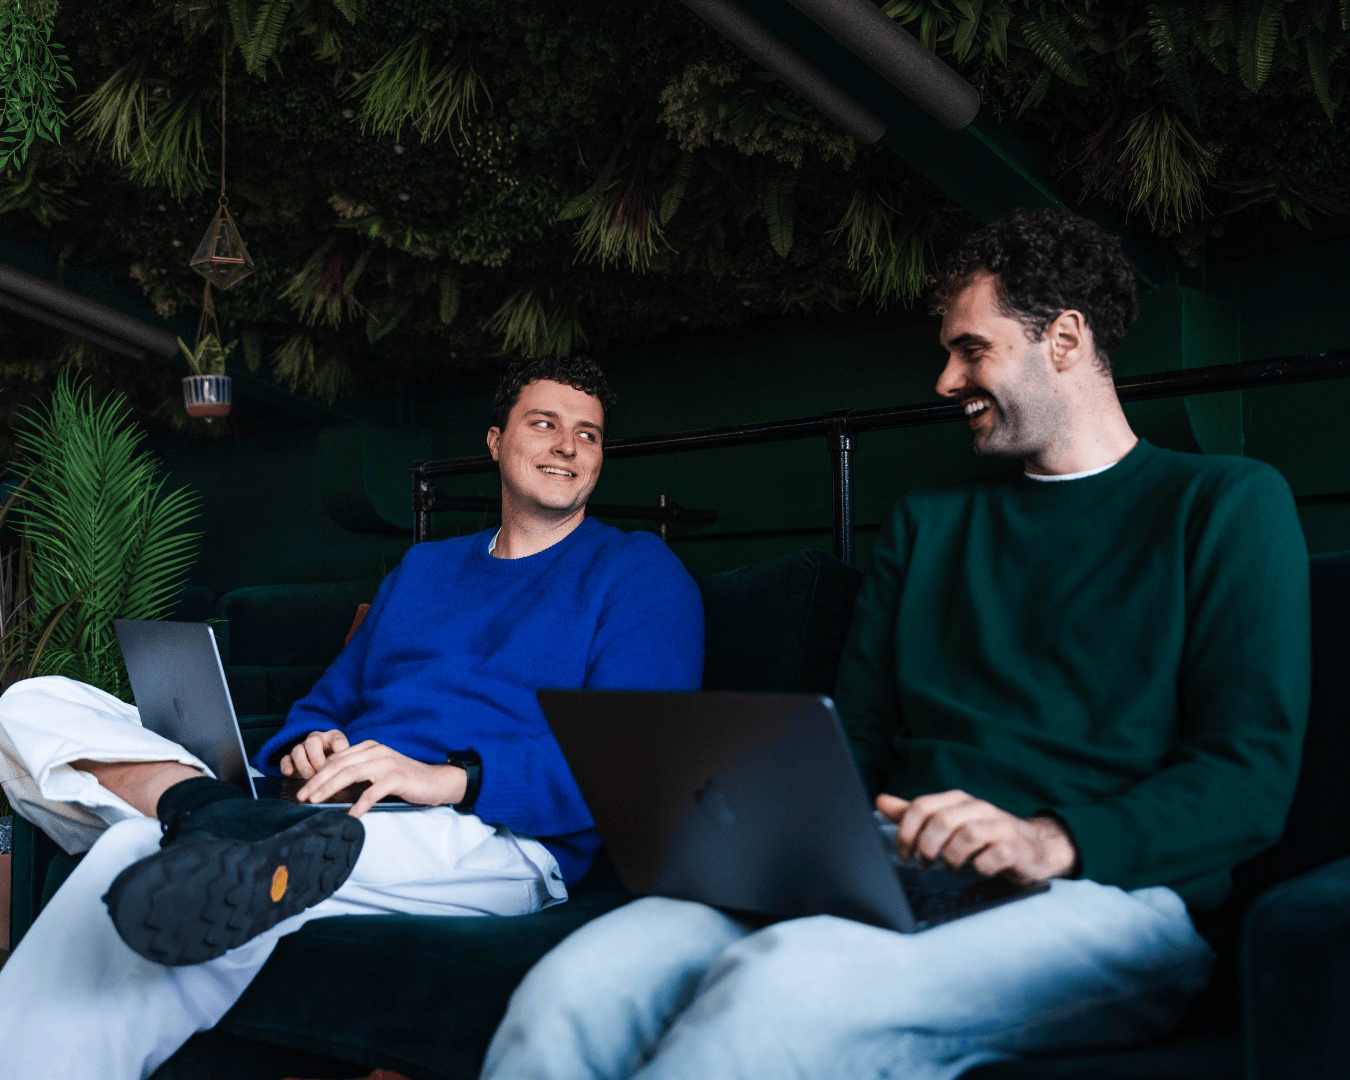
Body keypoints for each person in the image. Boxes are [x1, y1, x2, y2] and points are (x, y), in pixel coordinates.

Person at [479, 209, 1311, 1080]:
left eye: (971, 349)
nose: (947, 380)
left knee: (783, 990)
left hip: (1101, 893)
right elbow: (856, 741)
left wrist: (1046, 839)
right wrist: (770, 834)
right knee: (572, 987)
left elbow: (1248, 776)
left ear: (1065, 339)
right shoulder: (928, 525)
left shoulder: (1223, 504)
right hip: (889, 868)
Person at [0, 355, 704, 1080]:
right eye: (545, 423)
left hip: (486, 832)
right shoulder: (423, 571)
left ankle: (206, 818)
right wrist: (309, 743)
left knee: (132, 849)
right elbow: (324, 704)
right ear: (496, 441)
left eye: (587, 434)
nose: (567, 446)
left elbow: (634, 760)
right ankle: (210, 809)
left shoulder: (640, 573)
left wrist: (450, 778)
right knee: (31, 701)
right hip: (331, 803)